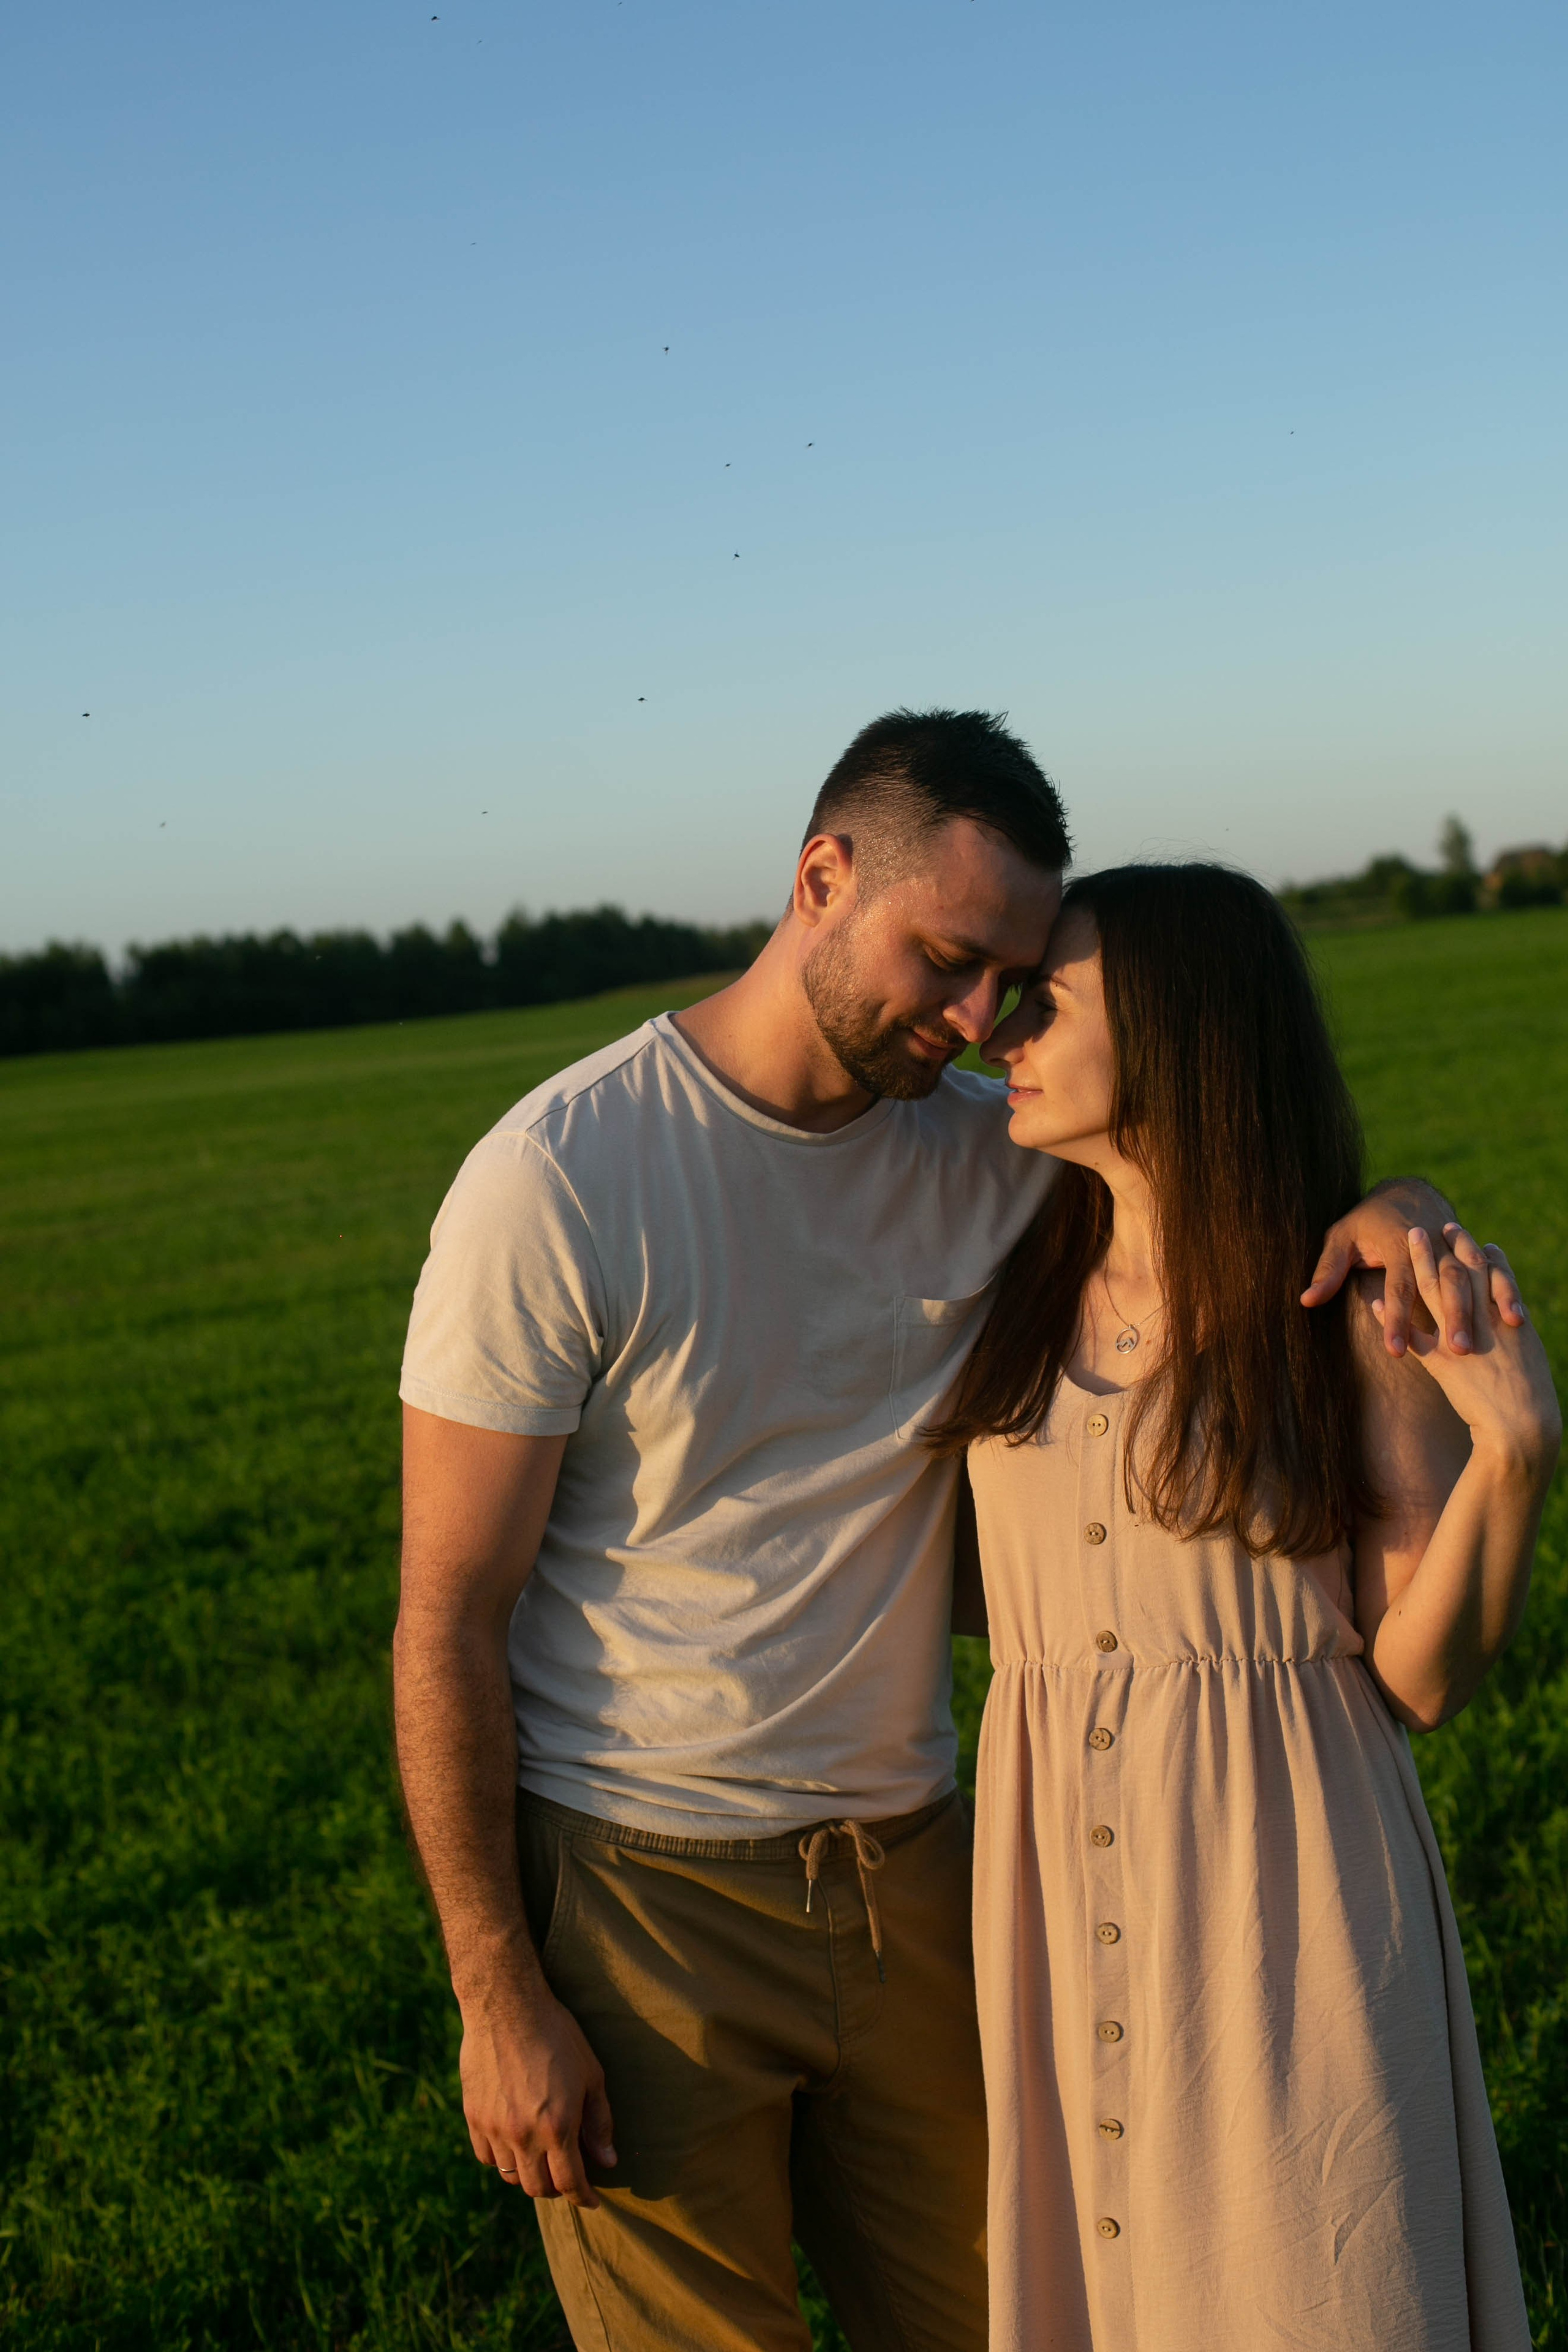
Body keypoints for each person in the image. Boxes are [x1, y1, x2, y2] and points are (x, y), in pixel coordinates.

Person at [393, 713, 1505, 2352]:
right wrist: (495, 1989)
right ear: (821, 879)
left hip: (924, 1875)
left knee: (1018, 2311)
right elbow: (447, 1612)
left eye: (1014, 979)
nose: (982, 1021)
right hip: (643, 1893)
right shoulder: (560, 1180)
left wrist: (1401, 1210)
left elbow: (1211, 1167)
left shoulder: (993, 1157)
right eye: (949, 959)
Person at [932, 863, 1559, 2351]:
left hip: (1285, 1910)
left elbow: (1417, 1678)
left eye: (1046, 1003)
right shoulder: (1005, 1264)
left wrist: (1515, 1456)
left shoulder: (1340, 1306)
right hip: (1057, 1887)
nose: (1001, 1036)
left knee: (1309, 2285)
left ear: (1176, 1026)